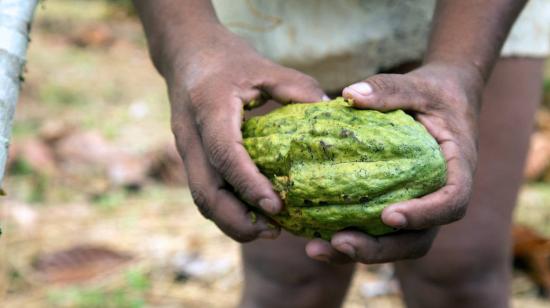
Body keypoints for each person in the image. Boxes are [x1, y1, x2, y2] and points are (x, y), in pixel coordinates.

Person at [132, 1, 549, 307]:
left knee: (460, 270)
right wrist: (188, 46)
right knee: (290, 281)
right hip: (269, 16)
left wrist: (464, 70)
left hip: (469, 16)